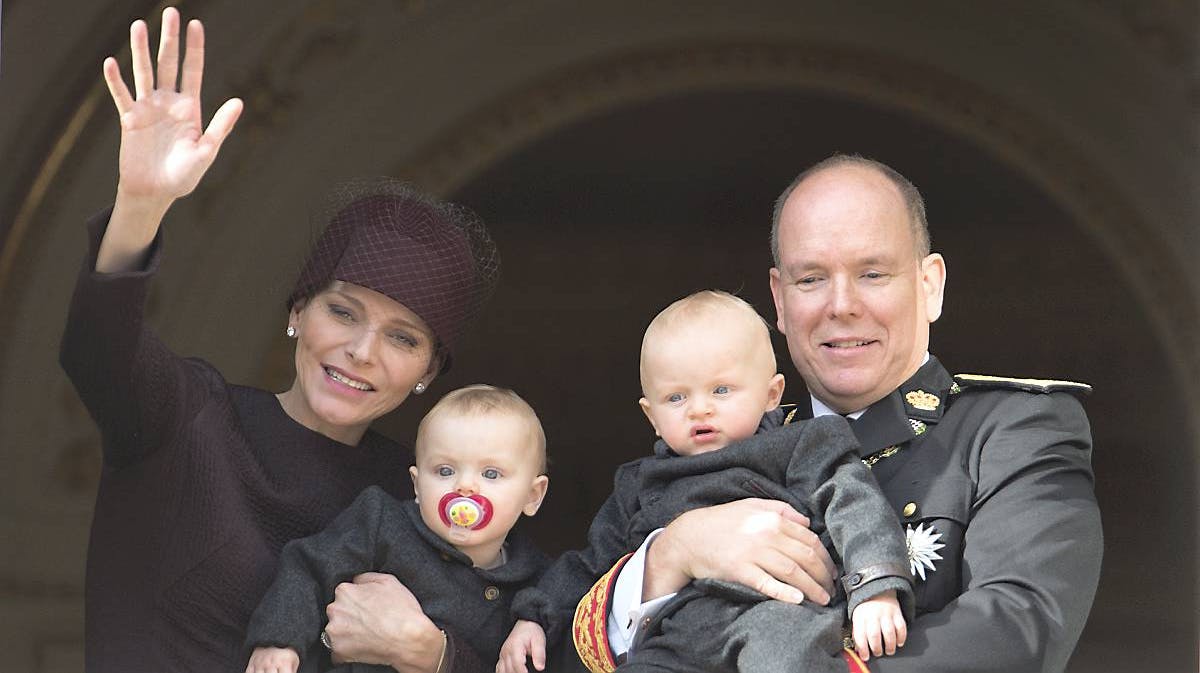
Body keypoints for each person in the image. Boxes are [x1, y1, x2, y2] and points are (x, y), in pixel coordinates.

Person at [60, 8, 500, 672]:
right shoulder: (189, 418)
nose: (362, 350)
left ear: (429, 371)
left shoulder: (424, 495)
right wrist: (141, 202)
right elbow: (98, 346)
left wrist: (432, 652)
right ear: (298, 310)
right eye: (344, 312)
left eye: (402, 338)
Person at [573, 155, 1102, 673]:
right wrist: (672, 554)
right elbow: (546, 651)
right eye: (811, 280)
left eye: (872, 273)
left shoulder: (1015, 428)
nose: (841, 304)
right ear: (778, 300)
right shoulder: (719, 440)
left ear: (930, 284)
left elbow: (1018, 632)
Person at [500, 291, 912, 673]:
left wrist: (874, 587)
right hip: (678, 631)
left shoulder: (803, 446)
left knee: (785, 657)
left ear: (771, 394)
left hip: (777, 614)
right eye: (676, 398)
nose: (699, 409)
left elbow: (856, 507)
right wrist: (534, 617)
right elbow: (588, 565)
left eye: (721, 389)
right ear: (651, 416)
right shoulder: (641, 483)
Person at [244, 385, 551, 673]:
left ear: (532, 496)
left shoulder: (537, 581)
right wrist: (280, 640)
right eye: (445, 470)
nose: (465, 486)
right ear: (417, 485)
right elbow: (309, 567)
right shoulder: (382, 523)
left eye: (491, 473)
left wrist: (532, 621)